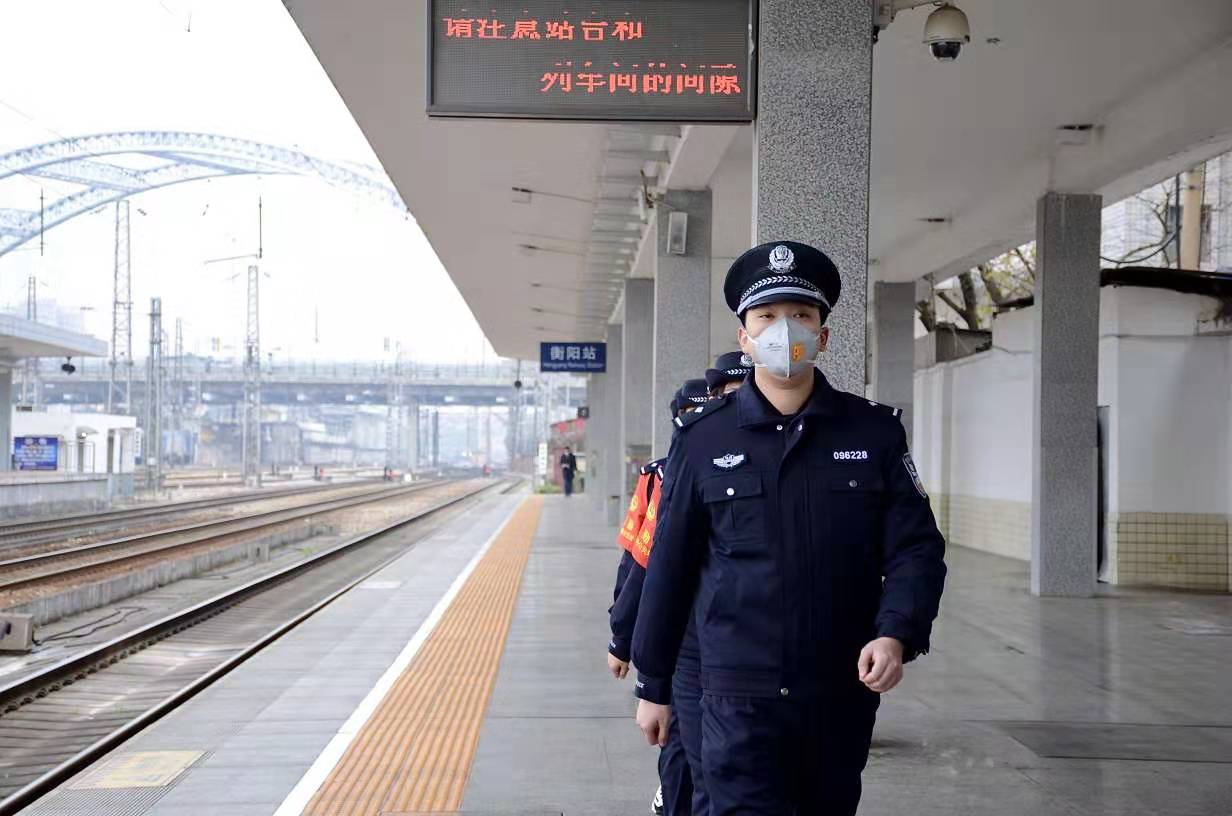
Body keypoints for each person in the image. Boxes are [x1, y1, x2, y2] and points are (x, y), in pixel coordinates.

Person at [631, 241, 948, 816]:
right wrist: (654, 685)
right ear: (745, 337)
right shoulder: (703, 439)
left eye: (801, 314)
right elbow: (670, 565)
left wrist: (895, 633)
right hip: (735, 690)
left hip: (838, 689)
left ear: (823, 336)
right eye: (767, 316)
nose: (785, 329)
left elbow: (916, 549)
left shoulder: (873, 433)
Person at [608, 382, 712, 816]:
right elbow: (640, 563)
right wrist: (622, 635)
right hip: (683, 636)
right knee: (683, 741)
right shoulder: (663, 477)